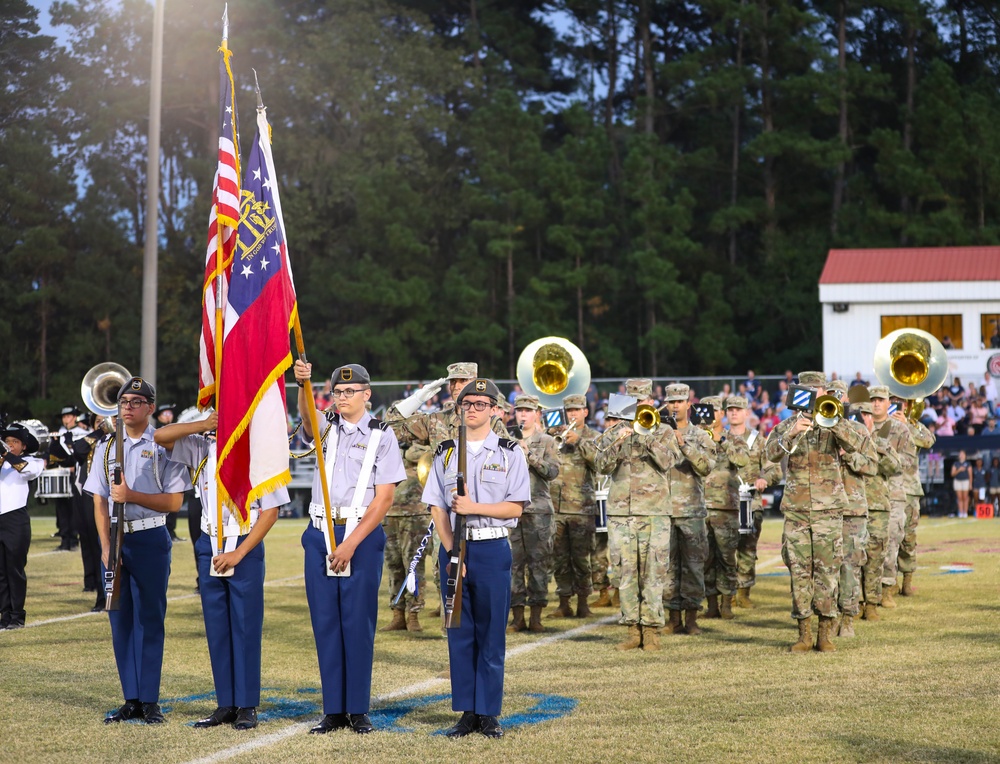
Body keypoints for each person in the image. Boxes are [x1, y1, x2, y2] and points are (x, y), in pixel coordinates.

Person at [154, 411, 286, 731]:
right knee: (217, 629)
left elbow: (271, 512)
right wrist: (205, 425)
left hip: (243, 543)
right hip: (209, 542)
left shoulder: (257, 450)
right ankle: (225, 703)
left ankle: (247, 705)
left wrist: (239, 553)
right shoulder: (202, 446)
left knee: (244, 628)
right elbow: (160, 436)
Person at [293, 361, 405, 735]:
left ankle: (357, 709)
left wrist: (350, 544)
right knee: (325, 624)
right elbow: (307, 417)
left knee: (357, 624)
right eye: (337, 392)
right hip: (320, 532)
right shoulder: (327, 427)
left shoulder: (381, 435)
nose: (341, 398)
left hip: (360, 533)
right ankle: (333, 710)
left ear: (366, 394)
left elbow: (384, 498)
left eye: (349, 392)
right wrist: (303, 384)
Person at [421, 378, 529, 739]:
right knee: (460, 632)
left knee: (491, 633)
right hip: (456, 550)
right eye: (468, 404)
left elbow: (515, 506)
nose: (473, 409)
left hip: (492, 548)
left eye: (482, 404)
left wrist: (474, 507)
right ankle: (467, 712)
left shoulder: (510, 452)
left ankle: (488, 713)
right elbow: (437, 505)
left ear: (496, 410)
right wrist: (453, 551)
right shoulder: (447, 452)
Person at [83, 377, 191, 724]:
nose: (127, 406)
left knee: (150, 618)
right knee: (120, 619)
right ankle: (130, 697)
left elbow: (174, 502)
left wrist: (133, 496)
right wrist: (104, 545)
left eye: (135, 401)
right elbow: (99, 501)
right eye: (123, 401)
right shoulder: (105, 447)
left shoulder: (164, 446)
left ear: (150, 408)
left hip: (149, 538)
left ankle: (150, 698)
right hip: (115, 541)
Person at [392, 362, 508, 616]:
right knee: (444, 571)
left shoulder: (493, 422)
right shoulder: (436, 420)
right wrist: (418, 398)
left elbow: (507, 459)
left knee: (480, 575)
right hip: (445, 510)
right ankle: (452, 628)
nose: (456, 386)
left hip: (480, 510)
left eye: (462, 380)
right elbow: (391, 427)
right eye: (452, 381)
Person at [764, 371, 864, 653]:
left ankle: (825, 632)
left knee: (828, 572)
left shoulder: (837, 422)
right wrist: (792, 431)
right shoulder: (787, 425)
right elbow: (769, 453)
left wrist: (832, 422)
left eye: (818, 391)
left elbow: (856, 445)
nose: (813, 395)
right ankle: (804, 632)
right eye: (808, 391)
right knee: (799, 571)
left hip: (828, 510)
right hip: (796, 510)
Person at [594, 378, 680, 652]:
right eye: (634, 402)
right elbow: (600, 465)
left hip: (655, 512)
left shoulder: (664, 430)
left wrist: (646, 435)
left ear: (651, 402)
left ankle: (652, 630)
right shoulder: (615, 431)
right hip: (622, 513)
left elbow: (669, 462)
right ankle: (632, 629)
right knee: (626, 572)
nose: (639, 406)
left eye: (643, 401)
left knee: (654, 572)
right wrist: (620, 439)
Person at [662, 383, 716, 636]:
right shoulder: (657, 433)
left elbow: (706, 467)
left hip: (691, 510)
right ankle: (672, 617)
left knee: (694, 565)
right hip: (663, 509)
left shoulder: (701, 436)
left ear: (688, 404)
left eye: (679, 401)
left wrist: (684, 445)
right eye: (671, 401)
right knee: (668, 567)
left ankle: (692, 617)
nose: (674, 406)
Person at [827, 379, 876, 638]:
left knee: (850, 565)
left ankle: (847, 618)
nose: (836, 399)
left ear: (846, 400)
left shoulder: (859, 430)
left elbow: (872, 465)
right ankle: (828, 616)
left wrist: (849, 455)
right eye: (830, 394)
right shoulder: (817, 429)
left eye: (839, 395)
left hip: (853, 509)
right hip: (825, 508)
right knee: (826, 567)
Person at [508, 393, 559, 632]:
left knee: (538, 564)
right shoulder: (505, 439)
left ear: (537, 413)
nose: (523, 414)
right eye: (520, 410)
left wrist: (528, 454)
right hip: (511, 510)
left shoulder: (547, 440)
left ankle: (536, 615)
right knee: (513, 564)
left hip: (538, 511)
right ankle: (517, 617)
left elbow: (551, 472)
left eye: (528, 410)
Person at [381, 405, 433, 633]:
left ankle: (414, 614)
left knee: (414, 566)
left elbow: (421, 455)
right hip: (390, 513)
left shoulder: (425, 438)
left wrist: (406, 447)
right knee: (393, 566)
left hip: (416, 513)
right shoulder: (386, 439)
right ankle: (397, 613)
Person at [548, 393, 600, 618]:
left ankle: (583, 601)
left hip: (581, 507)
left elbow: (600, 461)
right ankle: (563, 602)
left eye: (577, 410)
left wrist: (577, 441)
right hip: (556, 506)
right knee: (559, 556)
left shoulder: (593, 437)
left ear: (585, 412)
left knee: (581, 557)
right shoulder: (554, 435)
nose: (573, 414)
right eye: (569, 410)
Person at [849, 401, 900, 622]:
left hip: (877, 507)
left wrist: (875, 448)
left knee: (875, 556)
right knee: (853, 557)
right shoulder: (845, 444)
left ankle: (871, 603)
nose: (864, 419)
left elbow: (894, 467)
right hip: (852, 508)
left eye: (867, 415)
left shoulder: (881, 442)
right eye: (860, 415)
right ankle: (856, 602)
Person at [728, 397, 781, 609]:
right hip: (724, 502)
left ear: (746, 412)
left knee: (747, 549)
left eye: (738, 409)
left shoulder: (758, 440)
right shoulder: (720, 439)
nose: (734, 413)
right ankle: (726, 593)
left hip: (750, 502)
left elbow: (773, 468)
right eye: (730, 409)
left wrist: (764, 479)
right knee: (723, 550)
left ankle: (744, 591)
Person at [700, 396, 749, 620]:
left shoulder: (733, 439)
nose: (709, 416)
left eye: (714, 411)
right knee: (705, 558)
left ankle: (727, 603)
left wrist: (722, 440)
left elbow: (742, 460)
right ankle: (711, 604)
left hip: (725, 507)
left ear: (721, 415)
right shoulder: (696, 438)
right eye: (705, 411)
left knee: (727, 557)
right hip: (701, 506)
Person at [0, 422, 45, 629]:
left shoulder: (33, 461)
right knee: (1, 570)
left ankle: (17, 614)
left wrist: (6, 454)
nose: (10, 445)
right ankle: (5, 614)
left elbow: (26, 472)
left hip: (15, 519)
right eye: (7, 441)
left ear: (24, 446)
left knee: (14, 569)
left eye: (14, 442)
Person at [48, 405, 88, 551]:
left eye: (68, 416)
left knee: (74, 509)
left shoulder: (83, 433)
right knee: (62, 509)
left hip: (76, 475)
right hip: (62, 473)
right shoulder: (59, 432)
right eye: (64, 417)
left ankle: (74, 539)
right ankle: (64, 539)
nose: (66, 419)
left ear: (75, 417)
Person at [951, 450, 973, 517]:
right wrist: (959, 470)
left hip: (965, 481)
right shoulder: (956, 464)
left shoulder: (968, 464)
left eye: (963, 454)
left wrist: (970, 484)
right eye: (960, 454)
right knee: (959, 498)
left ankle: (965, 512)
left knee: (965, 497)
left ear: (965, 456)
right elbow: (952, 474)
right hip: (958, 481)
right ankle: (961, 512)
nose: (961, 455)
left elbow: (970, 475)